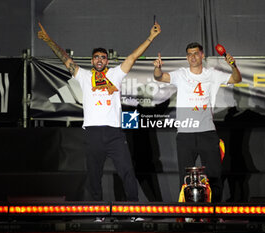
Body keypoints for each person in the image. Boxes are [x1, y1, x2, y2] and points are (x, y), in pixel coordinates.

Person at [38, 22, 161, 205]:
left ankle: (134, 209)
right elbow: (65, 59)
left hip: (114, 134)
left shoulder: (115, 75)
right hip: (93, 133)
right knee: (94, 175)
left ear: (107, 61)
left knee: (127, 170)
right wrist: (49, 41)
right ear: (92, 61)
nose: (100, 60)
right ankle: (98, 211)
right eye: (96, 57)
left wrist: (150, 37)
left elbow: (133, 57)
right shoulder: (84, 76)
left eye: (103, 57)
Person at [153, 42, 241, 202]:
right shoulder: (181, 74)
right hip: (185, 134)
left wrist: (234, 66)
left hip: (207, 132)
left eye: (195, 53)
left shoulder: (212, 74)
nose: (192, 57)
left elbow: (236, 79)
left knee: (214, 176)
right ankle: (187, 216)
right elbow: (159, 77)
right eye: (189, 54)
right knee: (185, 179)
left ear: (202, 55)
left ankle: (214, 215)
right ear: (187, 57)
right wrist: (157, 68)